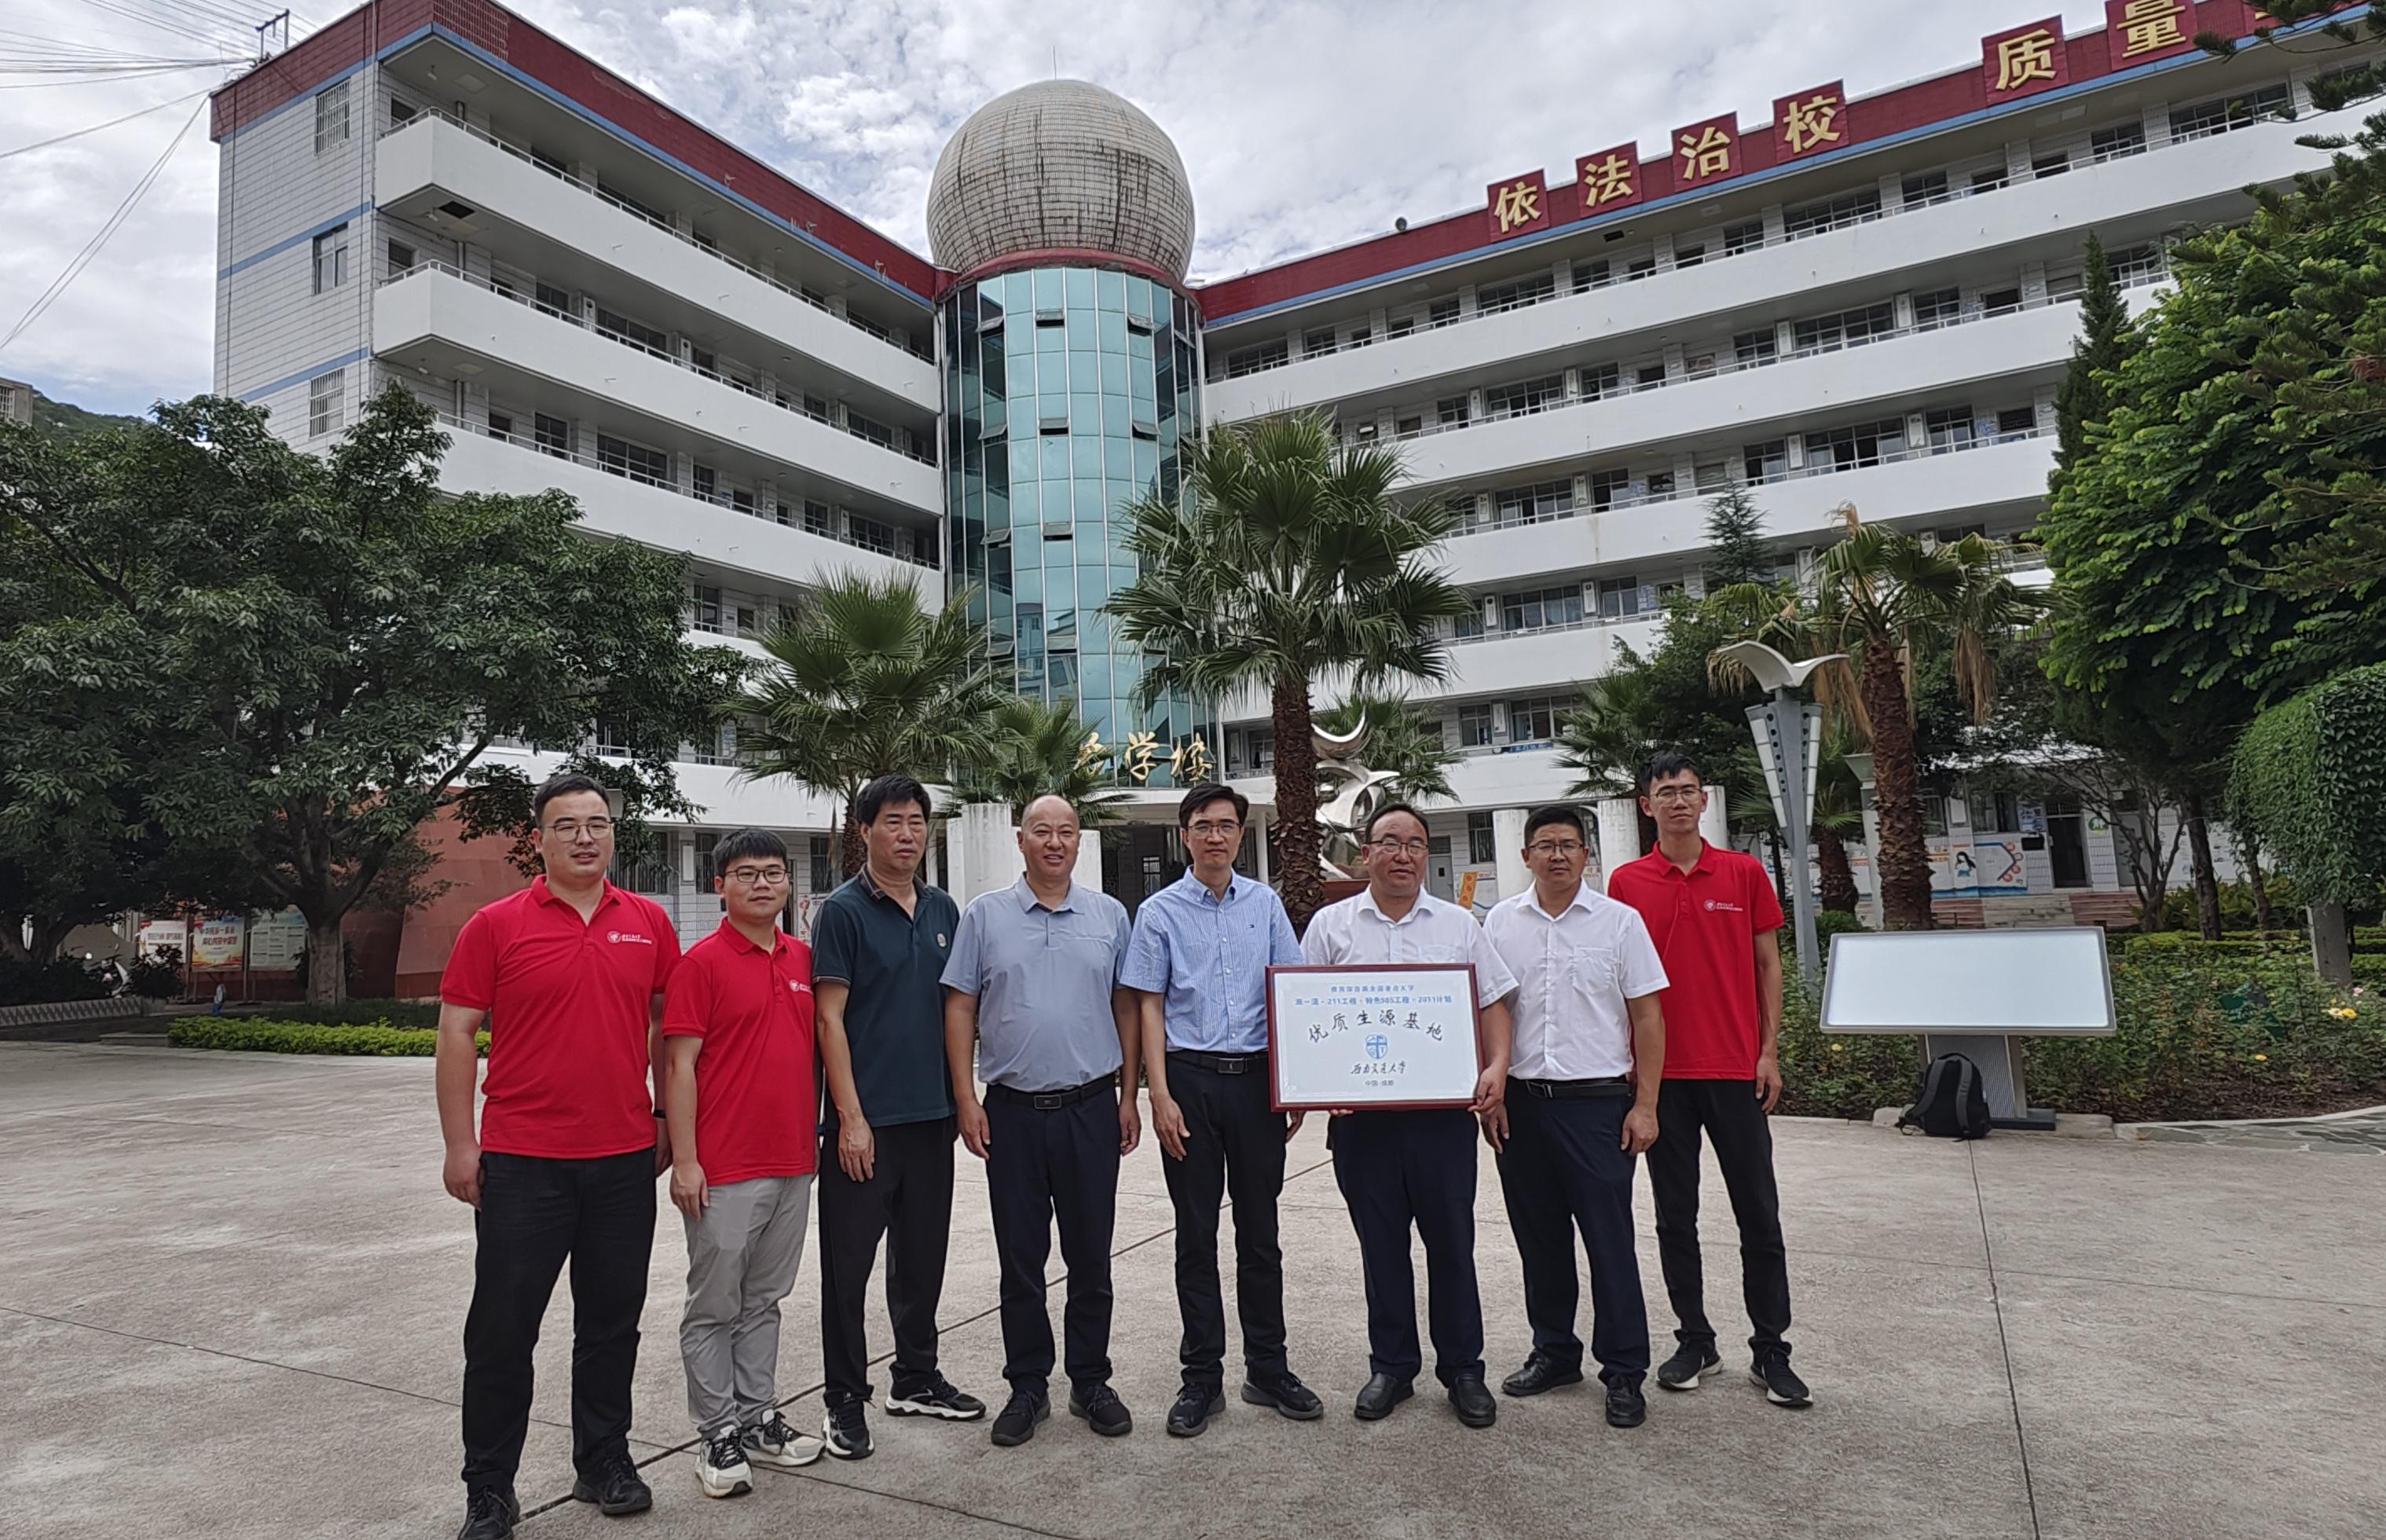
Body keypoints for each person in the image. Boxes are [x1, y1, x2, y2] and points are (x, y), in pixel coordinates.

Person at [435, 774, 681, 1540]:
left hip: (623, 1160)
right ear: (537, 839)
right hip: (522, 1162)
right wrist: (460, 1144)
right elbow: (456, 1032)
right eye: (567, 824)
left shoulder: (648, 921)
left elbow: (667, 1026)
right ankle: (489, 1488)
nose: (584, 837)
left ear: (613, 835)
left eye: (597, 824)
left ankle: (603, 1459)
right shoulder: (495, 925)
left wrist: (665, 1117)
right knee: (502, 1331)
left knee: (611, 1322)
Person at [1300, 802, 1517, 1428]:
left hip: (1441, 1120)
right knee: (1381, 1246)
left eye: (1415, 844)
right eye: (1389, 842)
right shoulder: (1330, 927)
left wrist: (1497, 1067)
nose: (1402, 854)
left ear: (1425, 854)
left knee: (1451, 1244)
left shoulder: (1457, 925)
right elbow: (1303, 1009)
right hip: (1361, 1123)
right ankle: (1391, 1367)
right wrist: (1319, 1083)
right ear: (1365, 852)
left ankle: (1463, 1370)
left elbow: (1492, 1003)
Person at [1607, 750, 1811, 1410]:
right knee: (1675, 1218)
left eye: (1687, 790)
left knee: (1759, 1215)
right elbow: (1619, 981)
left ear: (1703, 800)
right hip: (1662, 1079)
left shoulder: (1743, 873)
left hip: (1735, 1072)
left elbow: (1767, 966)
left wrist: (1768, 1051)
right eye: (1664, 791)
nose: (1677, 800)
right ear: (1646, 806)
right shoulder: (1626, 883)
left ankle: (1771, 1349)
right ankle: (1695, 1340)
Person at [1123, 783, 1322, 1438]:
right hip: (1191, 1083)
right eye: (1203, 826)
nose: (1216, 836)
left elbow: (1289, 991)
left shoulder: (1264, 904)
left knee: (1260, 1235)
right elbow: (1148, 1004)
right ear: (1184, 835)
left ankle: (1268, 1368)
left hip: (1256, 1083)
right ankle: (1201, 1379)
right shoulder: (1158, 913)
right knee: (1195, 1236)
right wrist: (1159, 1095)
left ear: (1240, 833)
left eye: (1227, 826)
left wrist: (1292, 1084)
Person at [943, 794, 1141, 1446]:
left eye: (1066, 832)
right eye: (1041, 831)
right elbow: (960, 1006)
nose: (1054, 842)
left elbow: (1126, 1005)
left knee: (1090, 1255)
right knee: (1020, 1258)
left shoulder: (1109, 916)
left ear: (1079, 841)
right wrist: (966, 1098)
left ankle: (1090, 1380)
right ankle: (1027, 1385)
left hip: (1091, 1108)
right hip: (1013, 1113)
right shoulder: (985, 916)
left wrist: (1129, 1094)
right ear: (1020, 840)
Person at [812, 774, 986, 1459]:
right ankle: (843, 1399)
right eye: (892, 821)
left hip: (930, 1118)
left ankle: (914, 1376)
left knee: (921, 1260)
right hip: (866, 1125)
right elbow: (828, 1019)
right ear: (865, 831)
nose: (907, 834)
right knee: (847, 1270)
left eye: (916, 821)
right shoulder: (843, 912)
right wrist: (849, 1118)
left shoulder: (943, 909)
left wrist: (963, 1100)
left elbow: (958, 1010)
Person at [1482, 805, 1668, 1430]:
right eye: (1545, 844)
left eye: (1568, 844)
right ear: (1525, 856)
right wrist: (1493, 1091)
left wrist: (1645, 1105)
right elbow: (1489, 1010)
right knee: (1539, 1239)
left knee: (1608, 1242)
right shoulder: (1500, 923)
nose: (1556, 854)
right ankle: (1555, 1352)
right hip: (1522, 1106)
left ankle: (1624, 1370)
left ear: (1587, 854)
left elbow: (1647, 1016)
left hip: (1596, 1106)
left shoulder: (1618, 922)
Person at [661, 829, 825, 1499]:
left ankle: (758, 1419)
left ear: (788, 883)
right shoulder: (699, 964)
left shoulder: (803, 959)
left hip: (793, 1160)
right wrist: (685, 1161)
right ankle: (716, 1432)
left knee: (764, 1301)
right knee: (714, 1307)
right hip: (724, 1167)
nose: (762, 883)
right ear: (719, 885)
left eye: (773, 872)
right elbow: (679, 1066)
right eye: (746, 873)